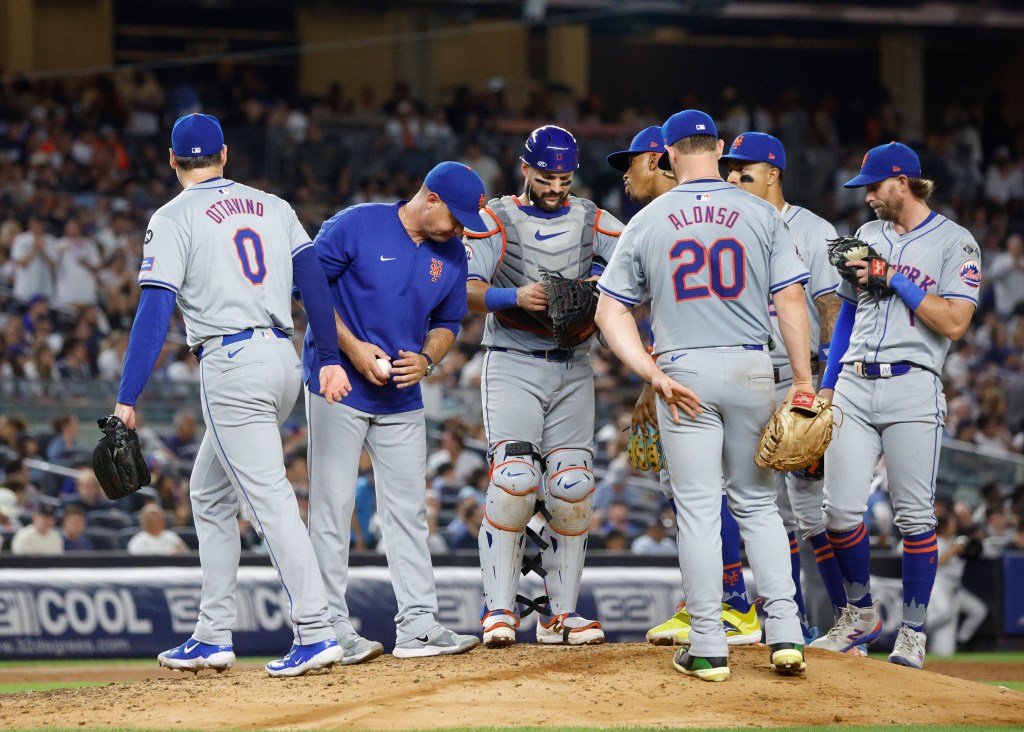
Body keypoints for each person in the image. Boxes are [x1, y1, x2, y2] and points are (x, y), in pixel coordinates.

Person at [110, 112, 352, 677]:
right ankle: (212, 634)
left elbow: (154, 311)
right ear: (224, 155)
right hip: (283, 359)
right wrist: (330, 358)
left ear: (172, 160)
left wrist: (127, 396)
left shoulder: (173, 216)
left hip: (232, 363)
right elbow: (313, 284)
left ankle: (317, 630)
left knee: (269, 501)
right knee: (209, 493)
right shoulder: (274, 206)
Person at [595, 109, 813, 681]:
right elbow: (791, 299)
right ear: (718, 148)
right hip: (750, 366)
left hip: (682, 370)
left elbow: (609, 310)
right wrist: (804, 382)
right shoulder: (761, 213)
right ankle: (786, 635)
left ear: (667, 155)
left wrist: (652, 374)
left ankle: (710, 647)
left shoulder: (648, 219)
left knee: (696, 510)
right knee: (759, 505)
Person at [304, 161, 484, 662]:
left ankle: (419, 626)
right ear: (431, 199)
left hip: (401, 393)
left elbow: (448, 322)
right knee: (333, 507)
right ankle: (329, 628)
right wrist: (353, 348)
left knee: (409, 511)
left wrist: (427, 359)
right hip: (338, 382)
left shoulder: (452, 253)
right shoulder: (356, 223)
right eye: (456, 218)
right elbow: (308, 288)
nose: (460, 229)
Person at [810, 142, 981, 670]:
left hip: (913, 384)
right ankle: (860, 614)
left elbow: (955, 321)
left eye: (874, 187)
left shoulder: (956, 242)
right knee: (838, 512)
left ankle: (912, 633)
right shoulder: (867, 234)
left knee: (914, 517)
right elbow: (846, 315)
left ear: (902, 181)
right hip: (853, 383)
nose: (867, 197)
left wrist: (895, 277)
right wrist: (827, 384)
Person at [464, 125, 623, 647]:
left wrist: (600, 282)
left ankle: (561, 614)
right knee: (515, 480)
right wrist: (515, 297)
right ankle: (499, 609)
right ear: (525, 169)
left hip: (574, 363)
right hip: (512, 360)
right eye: (546, 177)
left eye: (564, 178)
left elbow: (634, 264)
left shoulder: (593, 219)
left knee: (573, 486)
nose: (555, 187)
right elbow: (465, 289)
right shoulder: (495, 217)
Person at [611, 126, 763, 649]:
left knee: (704, 493)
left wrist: (655, 382)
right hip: (724, 368)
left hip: (709, 371)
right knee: (701, 494)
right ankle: (722, 604)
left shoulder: (661, 219)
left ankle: (732, 603)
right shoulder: (689, 215)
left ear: (658, 159)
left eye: (631, 162)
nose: (625, 175)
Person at [720, 132, 848, 642]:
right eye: (730, 170)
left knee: (811, 510)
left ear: (773, 173)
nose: (733, 178)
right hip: (745, 376)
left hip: (796, 380)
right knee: (762, 508)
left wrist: (823, 386)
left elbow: (831, 308)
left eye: (744, 171)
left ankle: (848, 621)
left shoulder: (813, 230)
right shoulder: (729, 225)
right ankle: (788, 620)